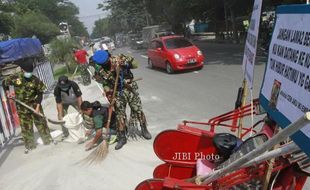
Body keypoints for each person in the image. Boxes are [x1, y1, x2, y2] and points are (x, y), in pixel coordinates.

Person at [92, 50, 152, 150]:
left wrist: (125, 63)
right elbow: (104, 83)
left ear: (109, 57)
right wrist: (108, 91)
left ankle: (144, 128)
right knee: (120, 115)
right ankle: (122, 137)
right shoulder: (100, 70)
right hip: (116, 92)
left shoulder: (119, 59)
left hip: (129, 87)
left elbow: (135, 64)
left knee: (137, 109)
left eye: (106, 62)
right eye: (102, 64)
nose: (105, 64)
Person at [3, 58, 54, 153]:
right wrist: (7, 92)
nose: (29, 73)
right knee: (26, 126)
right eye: (27, 72)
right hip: (22, 107)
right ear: (22, 70)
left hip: (34, 104)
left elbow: (40, 93)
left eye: (30, 72)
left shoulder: (35, 80)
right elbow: (4, 83)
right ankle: (30, 145)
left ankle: (48, 139)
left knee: (41, 123)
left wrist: (38, 107)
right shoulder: (15, 78)